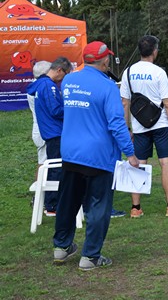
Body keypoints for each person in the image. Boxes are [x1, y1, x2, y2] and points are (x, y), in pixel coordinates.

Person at [53, 41, 140, 271]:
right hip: (98, 156)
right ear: (104, 61)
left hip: (70, 153)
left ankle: (61, 248)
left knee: (67, 202)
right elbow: (116, 123)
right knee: (98, 206)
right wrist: (130, 154)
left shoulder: (69, 81)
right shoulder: (108, 87)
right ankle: (90, 257)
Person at [121, 35, 168, 218]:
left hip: (140, 126)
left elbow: (125, 103)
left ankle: (136, 208)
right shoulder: (158, 72)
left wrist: (127, 129)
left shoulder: (128, 72)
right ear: (155, 51)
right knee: (165, 163)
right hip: (161, 124)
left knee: (138, 164)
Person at [26, 56, 72, 216]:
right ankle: (52, 205)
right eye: (65, 75)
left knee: (54, 167)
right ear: (59, 70)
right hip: (55, 133)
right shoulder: (49, 86)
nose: (64, 79)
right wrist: (73, 108)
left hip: (49, 132)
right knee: (56, 169)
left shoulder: (41, 84)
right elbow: (55, 110)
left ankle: (51, 203)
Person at [27, 61, 51, 173]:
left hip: (39, 128)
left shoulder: (34, 85)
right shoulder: (42, 87)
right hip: (43, 129)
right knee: (43, 162)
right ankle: (40, 188)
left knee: (44, 160)